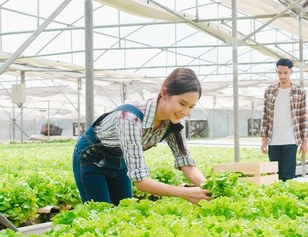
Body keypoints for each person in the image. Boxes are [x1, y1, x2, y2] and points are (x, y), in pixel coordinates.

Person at [72, 68, 211, 206]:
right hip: (91, 159)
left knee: (124, 212)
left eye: (191, 107)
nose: (185, 112)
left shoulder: (173, 121)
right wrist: (185, 193)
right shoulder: (130, 119)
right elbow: (142, 183)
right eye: (182, 103)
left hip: (120, 161)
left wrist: (211, 188)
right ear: (164, 93)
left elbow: (187, 165)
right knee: (100, 215)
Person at [260, 58, 308, 181]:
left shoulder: (299, 92)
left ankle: (287, 198)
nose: (282, 75)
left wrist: (304, 144)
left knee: (288, 177)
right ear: (276, 71)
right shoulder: (269, 91)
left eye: (285, 73)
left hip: (291, 140)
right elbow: (265, 117)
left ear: (291, 72)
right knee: (275, 176)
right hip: (273, 140)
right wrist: (263, 140)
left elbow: (303, 119)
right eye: (279, 72)